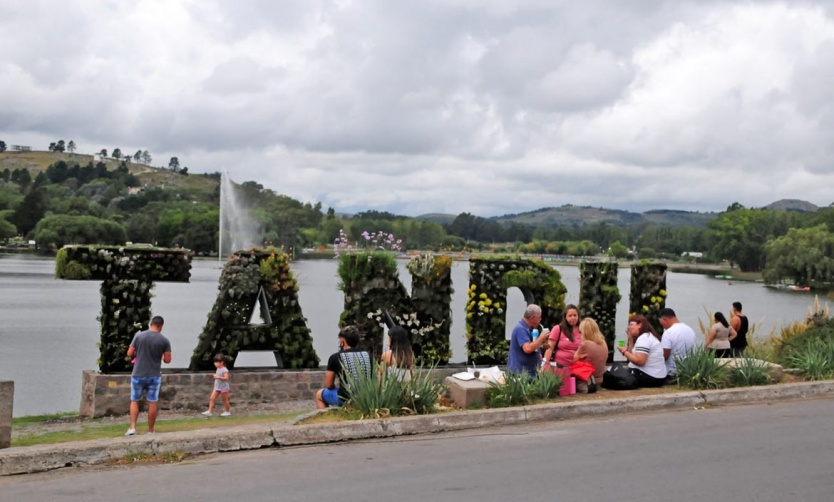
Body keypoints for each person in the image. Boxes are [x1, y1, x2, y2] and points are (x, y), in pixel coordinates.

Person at [125, 316, 172, 436]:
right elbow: (167, 360)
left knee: (134, 400)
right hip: (154, 375)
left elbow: (129, 353)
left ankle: (133, 428)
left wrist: (137, 352)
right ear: (161, 326)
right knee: (152, 402)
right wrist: (160, 355)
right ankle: (150, 430)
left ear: (151, 324)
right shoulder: (164, 340)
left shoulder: (139, 336)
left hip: (138, 373)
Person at [316, 326, 372, 409]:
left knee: (319, 395)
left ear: (342, 341)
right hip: (366, 396)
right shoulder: (367, 355)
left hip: (345, 397)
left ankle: (325, 419)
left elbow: (329, 384)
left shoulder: (335, 357)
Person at [618, 314, 667, 387]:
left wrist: (624, 352)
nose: (629, 327)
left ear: (640, 325)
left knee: (613, 374)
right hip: (656, 376)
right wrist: (630, 340)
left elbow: (639, 361)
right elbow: (632, 356)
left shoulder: (644, 338)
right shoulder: (646, 336)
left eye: (631, 324)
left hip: (650, 376)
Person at [507, 304, 550, 377]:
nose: (540, 320)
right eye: (539, 318)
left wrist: (541, 347)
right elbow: (527, 348)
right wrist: (541, 338)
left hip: (529, 372)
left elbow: (531, 346)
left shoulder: (528, 329)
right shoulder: (520, 329)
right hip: (521, 374)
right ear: (532, 318)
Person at [658, 308, 696, 377]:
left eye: (662, 324)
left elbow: (665, 356)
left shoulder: (668, 332)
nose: (663, 327)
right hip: (687, 371)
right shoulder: (690, 330)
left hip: (672, 372)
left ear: (665, 319)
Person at [542, 304, 582, 371]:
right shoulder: (558, 329)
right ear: (565, 317)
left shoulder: (582, 330)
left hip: (577, 369)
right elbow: (549, 348)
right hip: (559, 368)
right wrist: (543, 365)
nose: (573, 318)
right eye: (570, 315)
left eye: (575, 315)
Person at [575, 317, 608, 388]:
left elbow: (574, 360)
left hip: (587, 381)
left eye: (580, 332)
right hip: (600, 379)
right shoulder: (603, 342)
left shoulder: (585, 344)